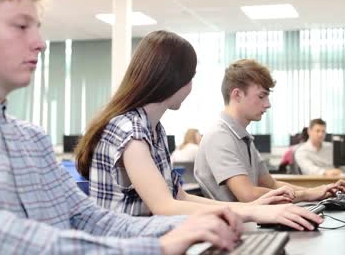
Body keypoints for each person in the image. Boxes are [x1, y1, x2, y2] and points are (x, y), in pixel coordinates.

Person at [0, 0, 243, 254]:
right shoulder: (129, 129)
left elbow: (90, 219)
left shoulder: (32, 140)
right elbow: (7, 239)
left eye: (37, 28)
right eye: (21, 26)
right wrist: (158, 246)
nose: (40, 43)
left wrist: (189, 226)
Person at [75, 30, 323, 231]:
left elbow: (179, 196)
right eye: (190, 78)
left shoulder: (154, 130)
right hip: (122, 247)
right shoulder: (130, 131)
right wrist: (253, 211)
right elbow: (165, 206)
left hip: (149, 241)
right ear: (172, 79)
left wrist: (253, 207)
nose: (191, 87)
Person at [194, 59, 345, 203]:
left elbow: (271, 184)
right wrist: (307, 195)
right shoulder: (219, 136)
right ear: (237, 94)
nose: (267, 104)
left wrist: (317, 191)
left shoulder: (243, 137)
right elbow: (247, 195)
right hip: (236, 228)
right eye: (261, 96)